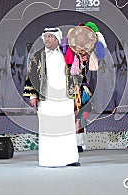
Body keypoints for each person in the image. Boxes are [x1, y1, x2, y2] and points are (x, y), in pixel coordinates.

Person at [23, 27, 81, 167]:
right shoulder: (38, 56)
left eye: (50, 36)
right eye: (45, 36)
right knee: (48, 129)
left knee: (66, 128)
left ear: (57, 39)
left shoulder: (67, 54)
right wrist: (32, 95)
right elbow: (31, 76)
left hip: (65, 99)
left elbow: (76, 73)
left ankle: (70, 158)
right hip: (46, 99)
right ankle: (49, 160)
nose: (46, 39)